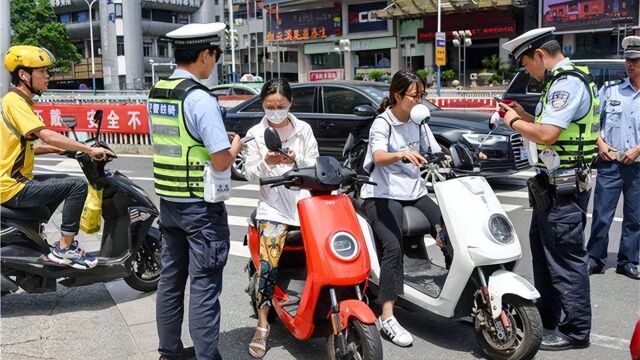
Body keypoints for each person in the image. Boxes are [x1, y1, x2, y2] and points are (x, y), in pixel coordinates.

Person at [501, 27, 599, 351]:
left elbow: (546, 135)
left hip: (564, 189)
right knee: (545, 256)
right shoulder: (558, 83)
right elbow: (547, 125)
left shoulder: (567, 83)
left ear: (540, 55)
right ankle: (548, 320)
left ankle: (575, 331)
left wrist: (513, 123)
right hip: (550, 189)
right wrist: (522, 114)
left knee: (566, 260)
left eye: (527, 64)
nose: (527, 71)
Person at [150, 23, 244, 360]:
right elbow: (220, 161)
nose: (214, 64)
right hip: (200, 208)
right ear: (204, 55)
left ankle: (169, 352)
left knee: (171, 281)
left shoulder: (158, 92)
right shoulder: (199, 98)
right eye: (214, 57)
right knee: (204, 286)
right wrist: (235, 145)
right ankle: (208, 356)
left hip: (169, 204)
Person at [1, 45, 112, 269]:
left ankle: (35, 239)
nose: (47, 76)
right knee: (76, 186)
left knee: (60, 181)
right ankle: (65, 248)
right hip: (12, 186)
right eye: (42, 72)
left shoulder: (17, 102)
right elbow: (47, 135)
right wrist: (89, 149)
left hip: (11, 182)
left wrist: (54, 150)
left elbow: (23, 146)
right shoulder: (15, 102)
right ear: (24, 75)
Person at [359, 69, 445, 347]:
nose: (419, 100)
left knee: (448, 232)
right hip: (381, 193)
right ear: (397, 95)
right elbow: (379, 156)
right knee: (393, 246)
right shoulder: (382, 123)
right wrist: (401, 154)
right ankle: (387, 316)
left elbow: (435, 151)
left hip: (414, 191)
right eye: (414, 95)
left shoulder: (420, 121)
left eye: (422, 95)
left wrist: (458, 154)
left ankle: (462, 295)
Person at [243, 78, 319, 358]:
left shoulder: (303, 129)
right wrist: (267, 163)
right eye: (269, 106)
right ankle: (262, 325)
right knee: (269, 267)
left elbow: (315, 161)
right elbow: (250, 173)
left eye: (281, 106)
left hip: (304, 205)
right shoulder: (255, 132)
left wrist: (296, 159)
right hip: (273, 209)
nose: (275, 111)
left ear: (290, 104)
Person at [586, 36, 640, 280]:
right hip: (610, 163)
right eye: (628, 60)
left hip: (637, 165)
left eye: (636, 60)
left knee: (635, 217)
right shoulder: (610, 90)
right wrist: (600, 144)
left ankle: (628, 261)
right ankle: (595, 259)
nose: (630, 64)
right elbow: (593, 121)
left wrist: (638, 149)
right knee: (601, 215)